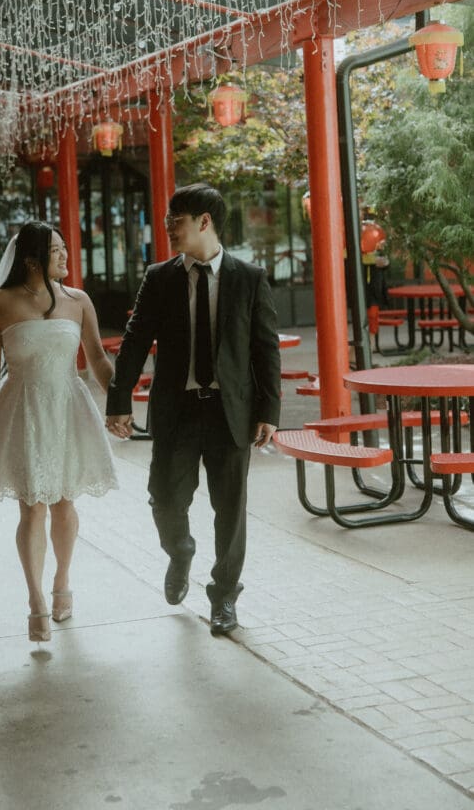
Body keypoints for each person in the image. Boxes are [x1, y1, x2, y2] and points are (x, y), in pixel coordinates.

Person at [105, 184, 280, 637]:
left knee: (231, 511)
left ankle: (224, 596)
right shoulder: (159, 278)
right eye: (167, 219)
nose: (168, 227)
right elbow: (135, 341)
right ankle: (180, 551)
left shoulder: (248, 277)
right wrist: (119, 400)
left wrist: (269, 411)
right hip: (177, 410)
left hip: (231, 412)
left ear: (205, 222)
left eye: (176, 220)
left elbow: (266, 350)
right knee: (164, 499)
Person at [0, 220, 118, 643]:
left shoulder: (79, 302)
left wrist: (122, 403)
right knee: (32, 506)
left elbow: (97, 360)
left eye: (65, 249)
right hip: (22, 409)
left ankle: (62, 580)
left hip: (68, 408)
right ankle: (35, 599)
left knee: (64, 502)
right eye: (56, 251)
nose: (65, 256)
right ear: (32, 260)